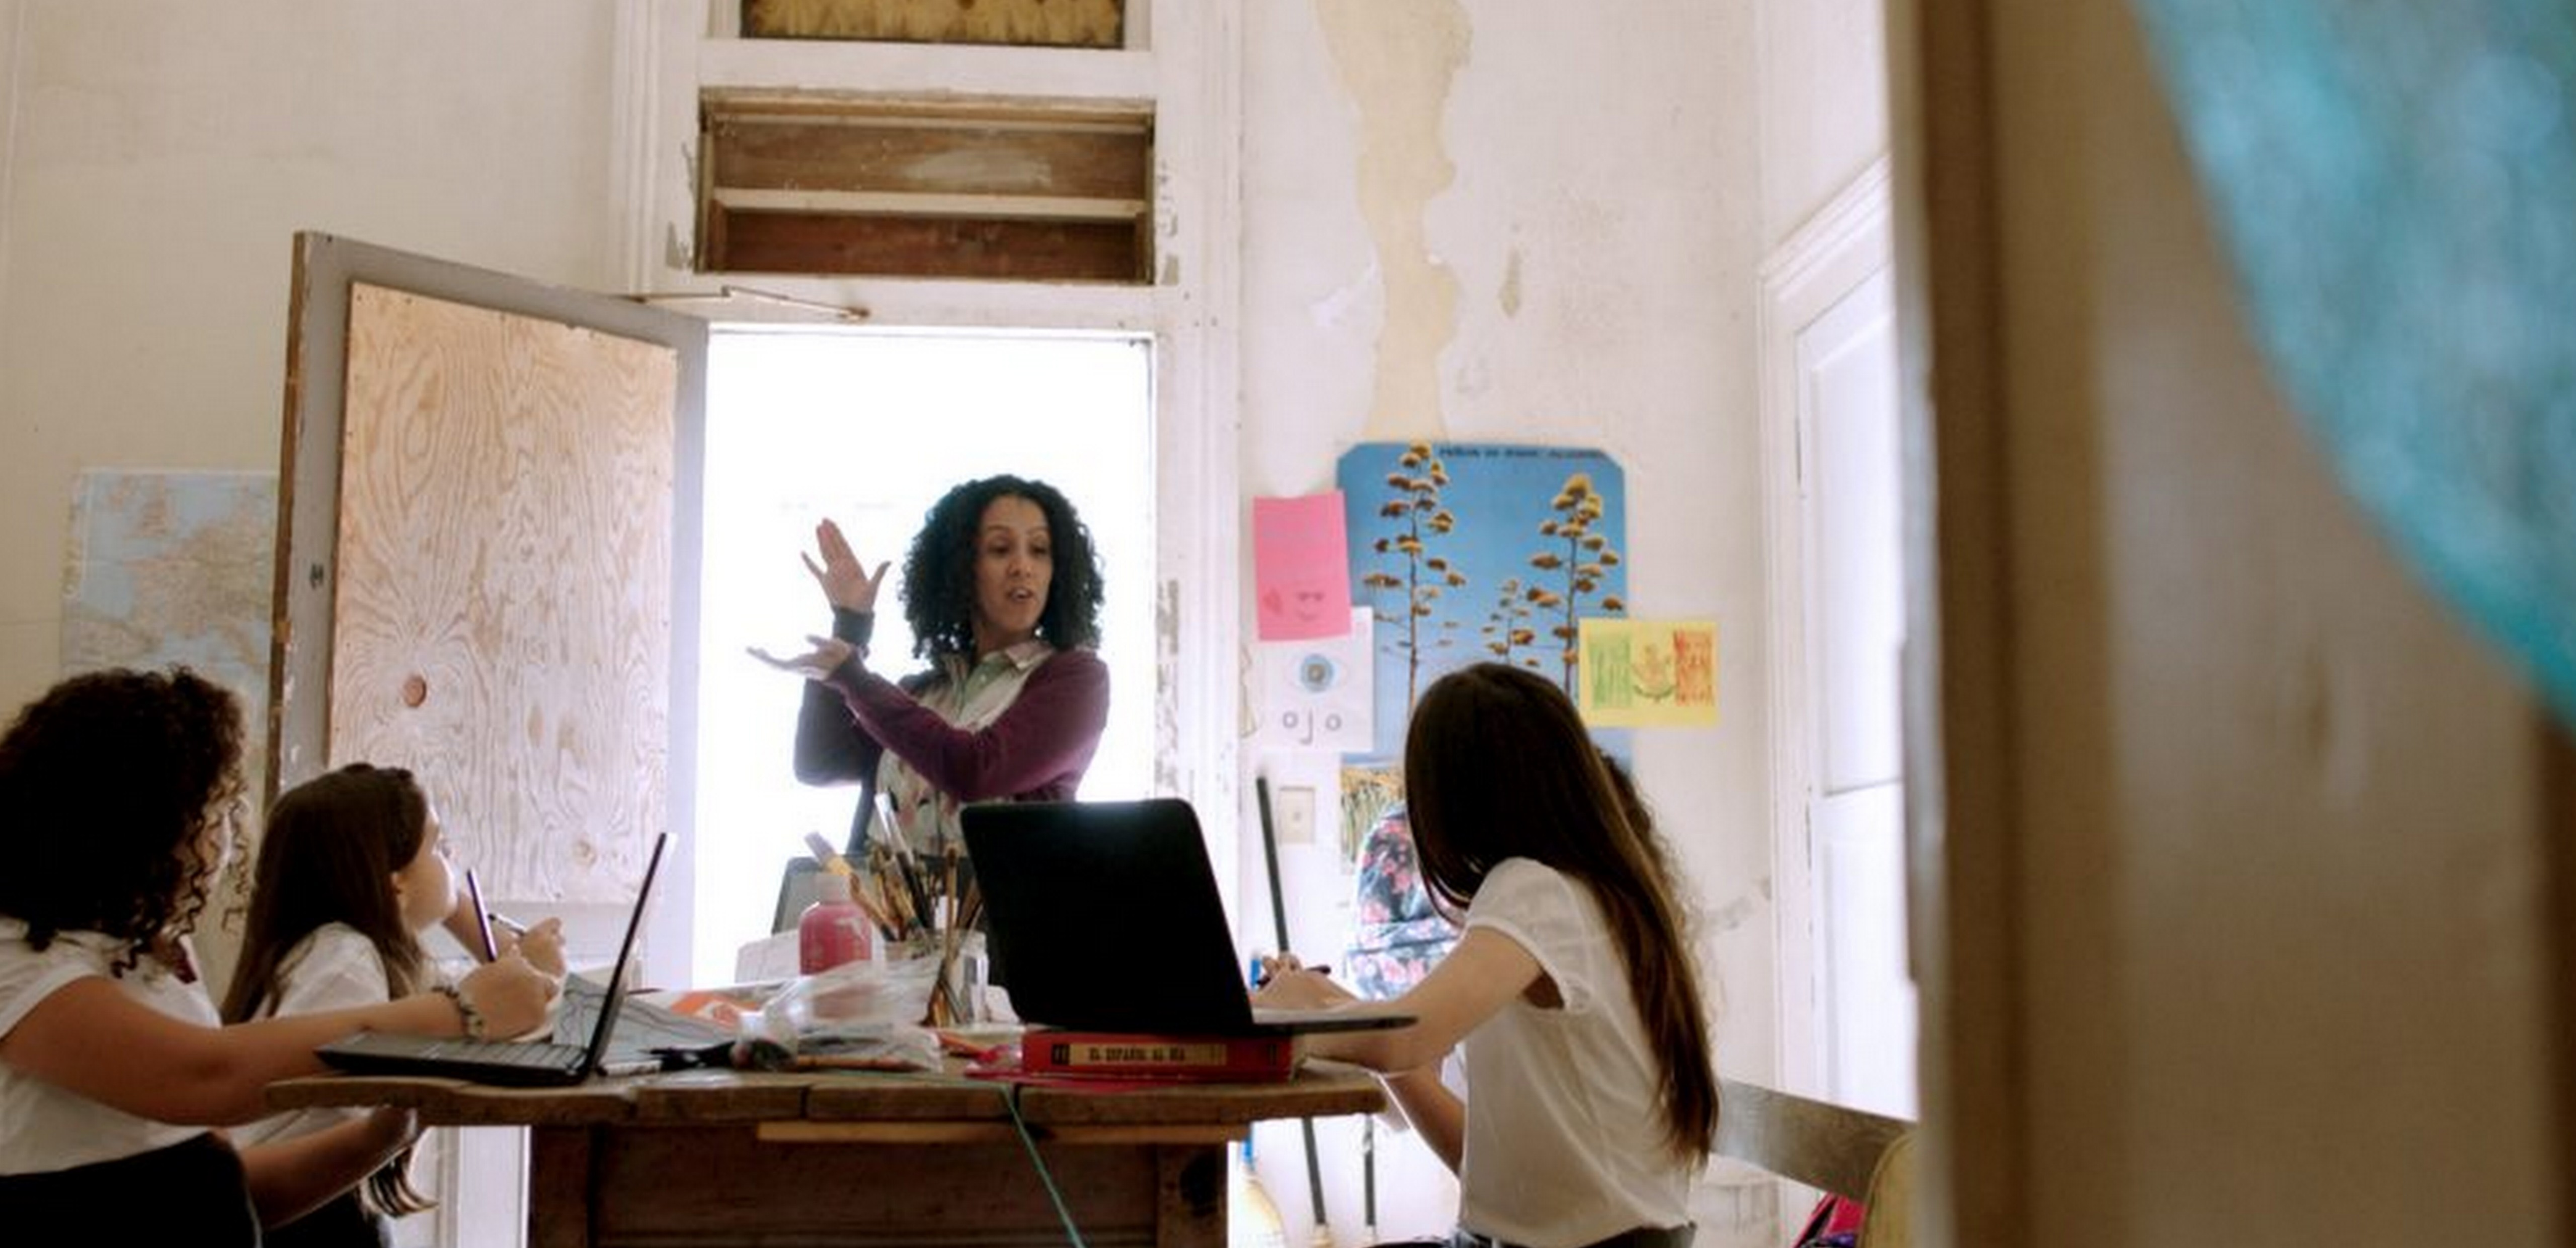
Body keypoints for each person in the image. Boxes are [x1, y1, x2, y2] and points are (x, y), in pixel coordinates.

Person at [0, 667, 557, 1243]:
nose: (222, 842)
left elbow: (229, 1182)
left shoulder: (147, 951)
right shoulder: (16, 956)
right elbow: (204, 1073)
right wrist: (454, 1015)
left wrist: (385, 1134)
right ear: (131, 821)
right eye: (209, 814)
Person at [1256, 663, 1718, 1248]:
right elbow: (1482, 1161)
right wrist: (1326, 1001)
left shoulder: (1535, 888)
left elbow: (1403, 1040)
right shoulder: (1600, 901)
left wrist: (1296, 1014)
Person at [221, 762, 567, 1248]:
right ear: (396, 882)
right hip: (304, 1209)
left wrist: (445, 897)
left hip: (315, 1196)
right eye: (440, 847)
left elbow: (499, 989)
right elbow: (487, 1008)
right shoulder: (347, 960)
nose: (451, 860)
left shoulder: (334, 950)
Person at [755, 474, 1110, 863]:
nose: (1023, 566)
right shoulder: (921, 692)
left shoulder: (1075, 680)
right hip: (883, 919)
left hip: (999, 923)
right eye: (1000, 548)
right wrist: (850, 626)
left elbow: (975, 771)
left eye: (1040, 550)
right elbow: (819, 764)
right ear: (961, 568)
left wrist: (855, 678)